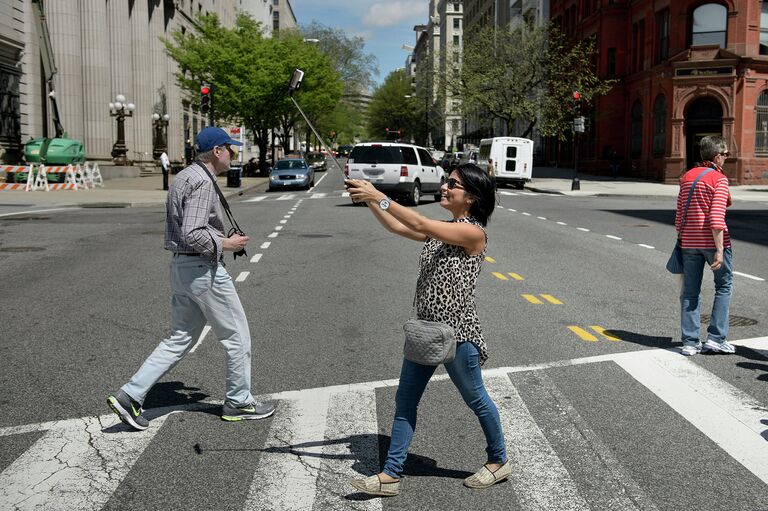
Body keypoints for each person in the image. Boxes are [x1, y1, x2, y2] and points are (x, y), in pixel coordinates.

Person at [345, 164, 509, 497]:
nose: (445, 187)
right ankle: (390, 475)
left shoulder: (472, 232)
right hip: (426, 330)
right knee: (405, 401)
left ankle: (498, 461)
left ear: (473, 197)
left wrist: (380, 194)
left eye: (454, 184)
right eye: (447, 181)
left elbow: (418, 221)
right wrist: (371, 202)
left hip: (458, 333)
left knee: (477, 399)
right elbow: (398, 226)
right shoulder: (444, 227)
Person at [107, 126, 275, 431]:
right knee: (237, 337)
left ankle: (130, 394)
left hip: (182, 268)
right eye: (230, 148)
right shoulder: (201, 182)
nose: (234, 154)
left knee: (180, 338)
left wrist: (220, 237)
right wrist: (228, 244)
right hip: (202, 269)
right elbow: (193, 232)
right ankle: (239, 402)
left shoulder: (185, 176)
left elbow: (189, 228)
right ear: (217, 151)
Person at [676, 135, 735, 356]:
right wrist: (719, 250)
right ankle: (716, 339)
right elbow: (717, 218)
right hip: (713, 243)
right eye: (726, 154)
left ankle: (690, 342)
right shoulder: (718, 179)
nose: (727, 158)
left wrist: (684, 238)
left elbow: (679, 215)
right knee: (724, 287)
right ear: (718, 156)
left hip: (689, 243)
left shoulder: (686, 176)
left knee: (690, 292)